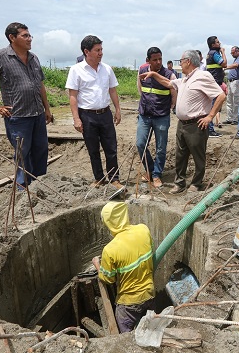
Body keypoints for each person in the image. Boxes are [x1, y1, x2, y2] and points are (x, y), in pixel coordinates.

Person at [0, 22, 53, 189]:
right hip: (18, 117)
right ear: (12, 38)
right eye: (25, 36)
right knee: (23, 154)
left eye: (30, 35)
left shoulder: (33, 58)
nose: (29, 39)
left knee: (41, 150)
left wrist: (47, 108)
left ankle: (40, 185)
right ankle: (23, 189)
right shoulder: (0, 56)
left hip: (37, 114)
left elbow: (40, 85)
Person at [140, 50, 226, 193]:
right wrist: (154, 75)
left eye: (180, 61)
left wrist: (210, 116)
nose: (179, 63)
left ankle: (196, 184)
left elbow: (221, 95)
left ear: (188, 61)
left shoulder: (203, 76)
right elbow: (168, 83)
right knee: (180, 156)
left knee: (198, 156)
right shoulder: (185, 79)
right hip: (182, 124)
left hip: (197, 124)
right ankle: (179, 183)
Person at [66, 35, 124, 190]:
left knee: (111, 147)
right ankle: (99, 178)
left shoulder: (107, 69)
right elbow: (73, 96)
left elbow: (112, 90)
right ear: (87, 51)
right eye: (97, 50)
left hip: (105, 114)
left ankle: (114, 178)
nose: (100, 53)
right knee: (93, 149)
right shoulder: (76, 70)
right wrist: (76, 118)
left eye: (101, 49)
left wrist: (117, 109)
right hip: (87, 116)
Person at [92, 201, 155, 333]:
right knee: (150, 327)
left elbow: (108, 280)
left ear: (108, 223)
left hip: (129, 303)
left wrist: (98, 265)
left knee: (125, 333)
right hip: (150, 294)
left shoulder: (110, 250)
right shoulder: (143, 230)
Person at [136, 47, 177, 188]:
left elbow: (174, 94)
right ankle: (150, 169)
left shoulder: (169, 75)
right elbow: (140, 89)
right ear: (148, 60)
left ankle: (157, 174)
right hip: (144, 115)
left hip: (161, 116)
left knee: (161, 147)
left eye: (160, 59)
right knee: (140, 144)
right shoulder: (141, 72)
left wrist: (170, 106)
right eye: (155, 59)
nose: (159, 62)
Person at [205, 36, 227, 138]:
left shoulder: (210, 54)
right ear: (213, 45)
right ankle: (210, 130)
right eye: (218, 42)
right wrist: (223, 52)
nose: (220, 44)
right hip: (214, 83)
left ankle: (209, 129)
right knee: (213, 106)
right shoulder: (215, 54)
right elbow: (224, 64)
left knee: (211, 105)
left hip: (213, 82)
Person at [223, 46, 239, 125]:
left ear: (237, 52)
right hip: (231, 82)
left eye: (233, 53)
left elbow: (235, 65)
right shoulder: (235, 59)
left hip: (236, 82)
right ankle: (230, 118)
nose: (231, 54)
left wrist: (225, 67)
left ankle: (235, 119)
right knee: (229, 101)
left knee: (236, 101)